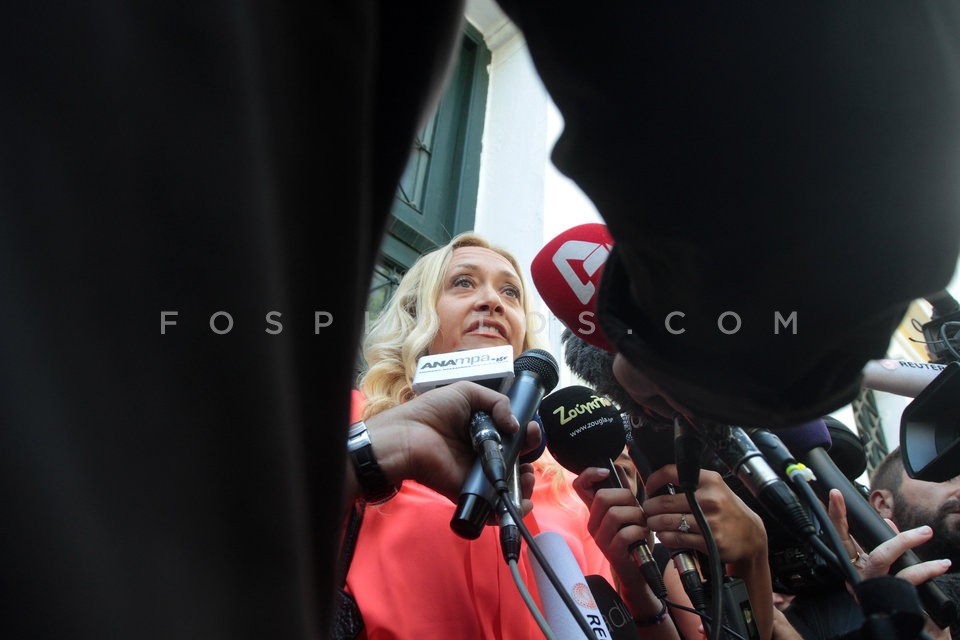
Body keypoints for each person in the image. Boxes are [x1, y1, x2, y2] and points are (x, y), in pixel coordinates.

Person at [344, 232, 614, 639]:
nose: (492, 301)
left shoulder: (563, 483)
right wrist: (373, 454)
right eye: (463, 282)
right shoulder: (354, 422)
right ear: (417, 314)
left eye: (510, 292)